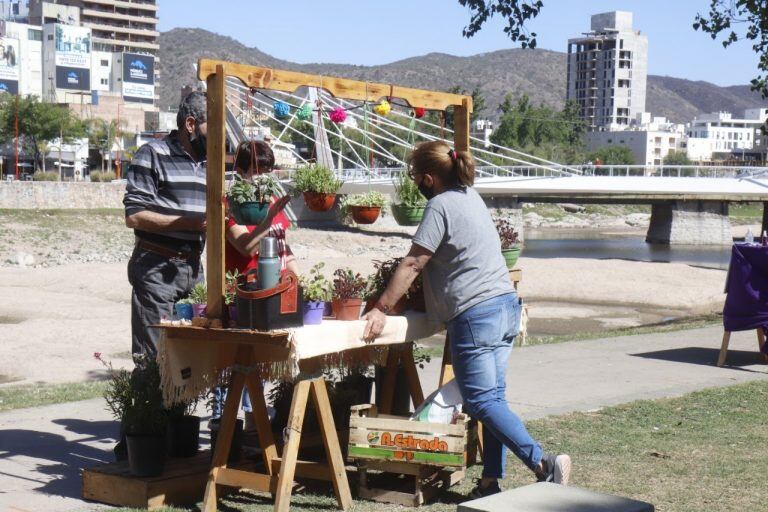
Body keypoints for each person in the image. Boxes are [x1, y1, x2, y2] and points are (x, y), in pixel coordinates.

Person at [361, 140, 571, 497]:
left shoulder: (440, 206)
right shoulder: (471, 197)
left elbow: (413, 262)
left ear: (428, 178)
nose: (414, 181)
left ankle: (543, 463)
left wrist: (380, 307)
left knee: (480, 402)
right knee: (493, 401)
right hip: (506, 306)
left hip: (476, 315)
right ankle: (490, 482)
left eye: (414, 176)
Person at [210, 140, 298, 426]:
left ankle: (253, 428)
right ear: (241, 170)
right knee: (231, 365)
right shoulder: (228, 204)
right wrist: (268, 219)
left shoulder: (270, 199)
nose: (263, 176)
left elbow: (284, 245)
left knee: (258, 365)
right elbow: (245, 246)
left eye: (268, 169)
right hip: (242, 293)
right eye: (257, 169)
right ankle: (224, 431)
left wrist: (296, 281)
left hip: (271, 291)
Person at [123, 91, 208, 360]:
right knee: (155, 359)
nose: (219, 136)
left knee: (192, 359)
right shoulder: (153, 153)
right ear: (191, 125)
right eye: (212, 128)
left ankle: (180, 404)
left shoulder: (211, 163)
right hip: (156, 268)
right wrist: (188, 223)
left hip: (195, 268)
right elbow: (134, 215)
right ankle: (152, 403)